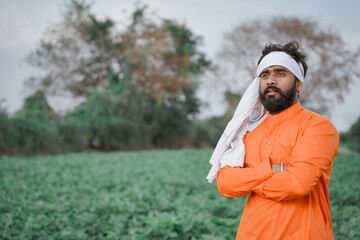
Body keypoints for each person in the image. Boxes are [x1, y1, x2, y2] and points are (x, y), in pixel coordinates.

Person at [207, 41, 339, 239]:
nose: (271, 80)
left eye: (280, 73)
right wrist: (272, 169)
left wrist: (248, 178)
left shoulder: (318, 126)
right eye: (265, 75)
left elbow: (297, 184)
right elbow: (225, 183)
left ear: (299, 83)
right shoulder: (249, 131)